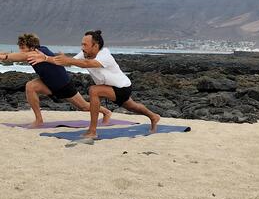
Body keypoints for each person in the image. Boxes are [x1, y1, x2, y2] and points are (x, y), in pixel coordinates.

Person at [28, 30, 160, 138]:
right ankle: (153, 116)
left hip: (122, 88)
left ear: (95, 46)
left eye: (85, 45)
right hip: (109, 88)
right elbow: (68, 61)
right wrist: (46, 58)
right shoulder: (84, 54)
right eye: (82, 44)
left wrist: (67, 60)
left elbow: (87, 64)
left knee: (94, 90)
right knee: (133, 107)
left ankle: (92, 131)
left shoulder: (105, 55)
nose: (82, 48)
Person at [0, 33, 111, 128]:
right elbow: (10, 53)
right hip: (48, 83)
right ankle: (39, 119)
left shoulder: (37, 53)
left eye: (23, 47)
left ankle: (106, 112)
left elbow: (12, 56)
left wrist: (2, 58)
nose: (21, 50)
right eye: (20, 47)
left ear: (32, 47)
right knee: (31, 86)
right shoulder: (31, 51)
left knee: (84, 107)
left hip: (63, 85)